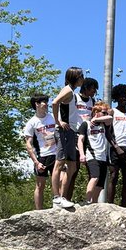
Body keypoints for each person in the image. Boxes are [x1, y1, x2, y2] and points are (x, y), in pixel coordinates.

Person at [50, 66, 84, 208]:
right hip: (64, 131)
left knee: (72, 166)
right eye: (81, 76)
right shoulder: (68, 90)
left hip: (71, 132)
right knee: (59, 163)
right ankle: (56, 197)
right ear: (76, 77)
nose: (83, 79)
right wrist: (58, 121)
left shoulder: (72, 92)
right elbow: (55, 102)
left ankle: (63, 197)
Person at [22, 94, 59, 210]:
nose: (46, 104)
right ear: (37, 104)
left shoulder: (53, 117)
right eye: (43, 102)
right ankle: (39, 211)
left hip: (56, 154)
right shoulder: (31, 122)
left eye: (47, 102)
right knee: (40, 185)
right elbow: (28, 143)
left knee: (60, 180)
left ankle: (58, 205)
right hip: (42, 156)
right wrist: (36, 162)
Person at [78, 101, 114, 203]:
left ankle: (94, 203)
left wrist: (97, 119)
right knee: (95, 177)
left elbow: (110, 118)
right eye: (103, 112)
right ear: (96, 112)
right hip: (92, 155)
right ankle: (87, 200)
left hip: (103, 156)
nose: (105, 115)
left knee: (100, 184)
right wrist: (82, 154)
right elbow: (80, 140)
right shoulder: (86, 124)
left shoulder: (104, 124)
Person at [108, 84, 126, 207]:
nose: (123, 99)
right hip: (115, 148)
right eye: (121, 96)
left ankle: (124, 205)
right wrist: (116, 147)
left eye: (125, 96)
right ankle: (110, 205)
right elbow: (108, 133)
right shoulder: (112, 112)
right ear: (116, 98)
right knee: (113, 176)